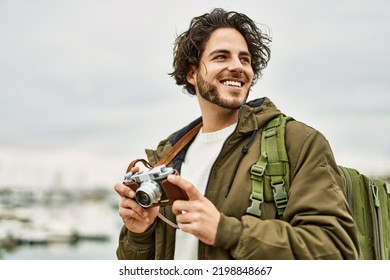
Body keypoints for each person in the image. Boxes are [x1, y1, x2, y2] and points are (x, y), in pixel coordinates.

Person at [114, 8, 359, 260]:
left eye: (245, 59)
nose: (237, 66)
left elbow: (336, 252)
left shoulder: (298, 142)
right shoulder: (166, 156)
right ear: (191, 73)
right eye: (221, 57)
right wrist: (139, 233)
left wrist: (227, 231)